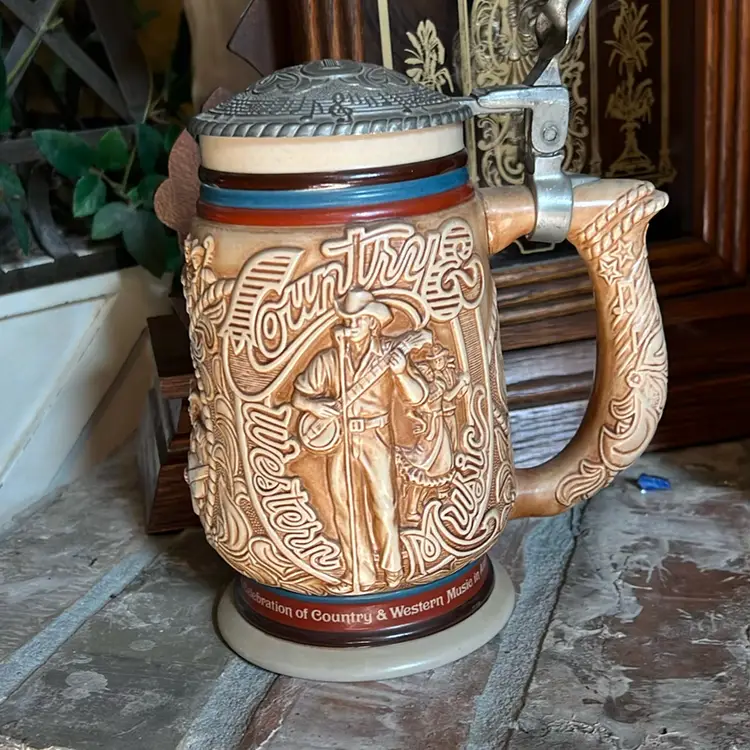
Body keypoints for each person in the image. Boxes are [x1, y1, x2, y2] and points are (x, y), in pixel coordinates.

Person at [292, 288, 428, 592]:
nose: (351, 325)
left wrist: (402, 372)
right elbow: (298, 397)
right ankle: (360, 575)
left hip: (375, 436)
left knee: (384, 502)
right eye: (348, 319)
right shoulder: (330, 358)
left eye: (358, 319)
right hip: (339, 437)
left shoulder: (390, 353)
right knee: (344, 505)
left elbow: (418, 396)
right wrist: (315, 406)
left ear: (372, 322)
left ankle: (393, 571)